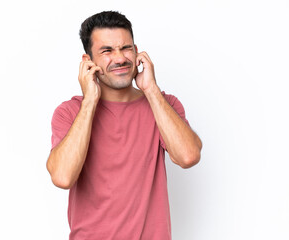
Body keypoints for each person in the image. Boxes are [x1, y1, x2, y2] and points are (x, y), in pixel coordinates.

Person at [46, 11, 202, 240]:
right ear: (88, 62)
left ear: (137, 52)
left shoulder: (163, 104)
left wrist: (150, 90)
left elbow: (188, 156)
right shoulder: (69, 112)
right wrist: (89, 101)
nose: (120, 58)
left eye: (126, 48)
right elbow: (62, 177)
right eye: (107, 51)